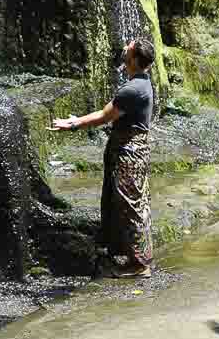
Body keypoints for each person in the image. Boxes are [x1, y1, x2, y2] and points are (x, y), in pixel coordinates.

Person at [50, 38, 156, 278]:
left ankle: (139, 265)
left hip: (128, 154)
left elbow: (104, 116)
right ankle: (130, 256)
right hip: (130, 151)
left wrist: (73, 123)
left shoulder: (133, 89)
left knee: (130, 206)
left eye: (129, 49)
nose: (125, 48)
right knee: (126, 203)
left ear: (136, 60)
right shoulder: (141, 83)